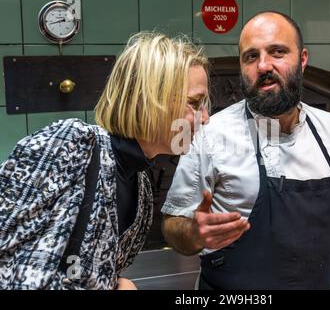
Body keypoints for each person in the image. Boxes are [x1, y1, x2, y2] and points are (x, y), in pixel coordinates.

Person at [161, 11, 330, 290]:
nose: (263, 65)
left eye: (277, 52)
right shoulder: (211, 134)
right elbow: (173, 225)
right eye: (251, 57)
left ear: (302, 60)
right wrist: (194, 234)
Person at [0, 31, 209, 290]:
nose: (205, 117)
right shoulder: (71, 144)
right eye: (194, 102)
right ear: (148, 99)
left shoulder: (140, 185)